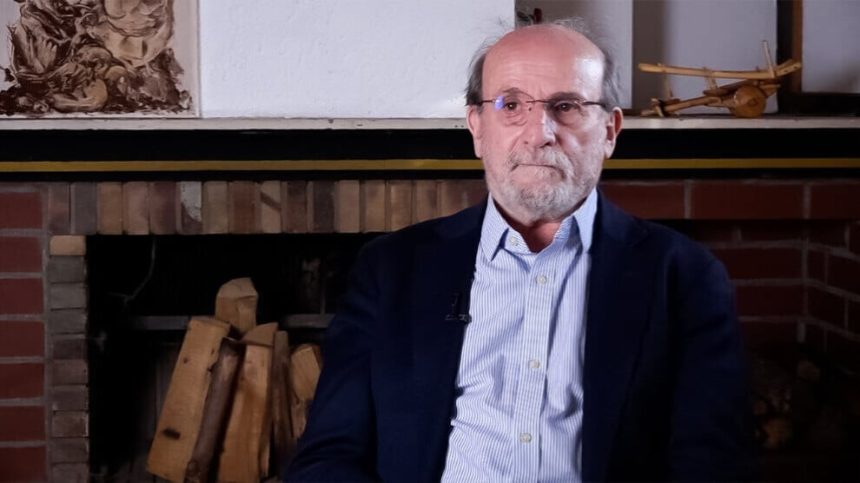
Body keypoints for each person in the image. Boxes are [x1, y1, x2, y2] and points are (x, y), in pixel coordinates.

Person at [287, 18, 755, 482]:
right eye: (511, 105)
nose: (539, 133)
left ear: (610, 131)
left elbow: (712, 467)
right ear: (477, 128)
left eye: (566, 106)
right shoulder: (391, 268)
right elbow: (328, 456)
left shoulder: (684, 276)